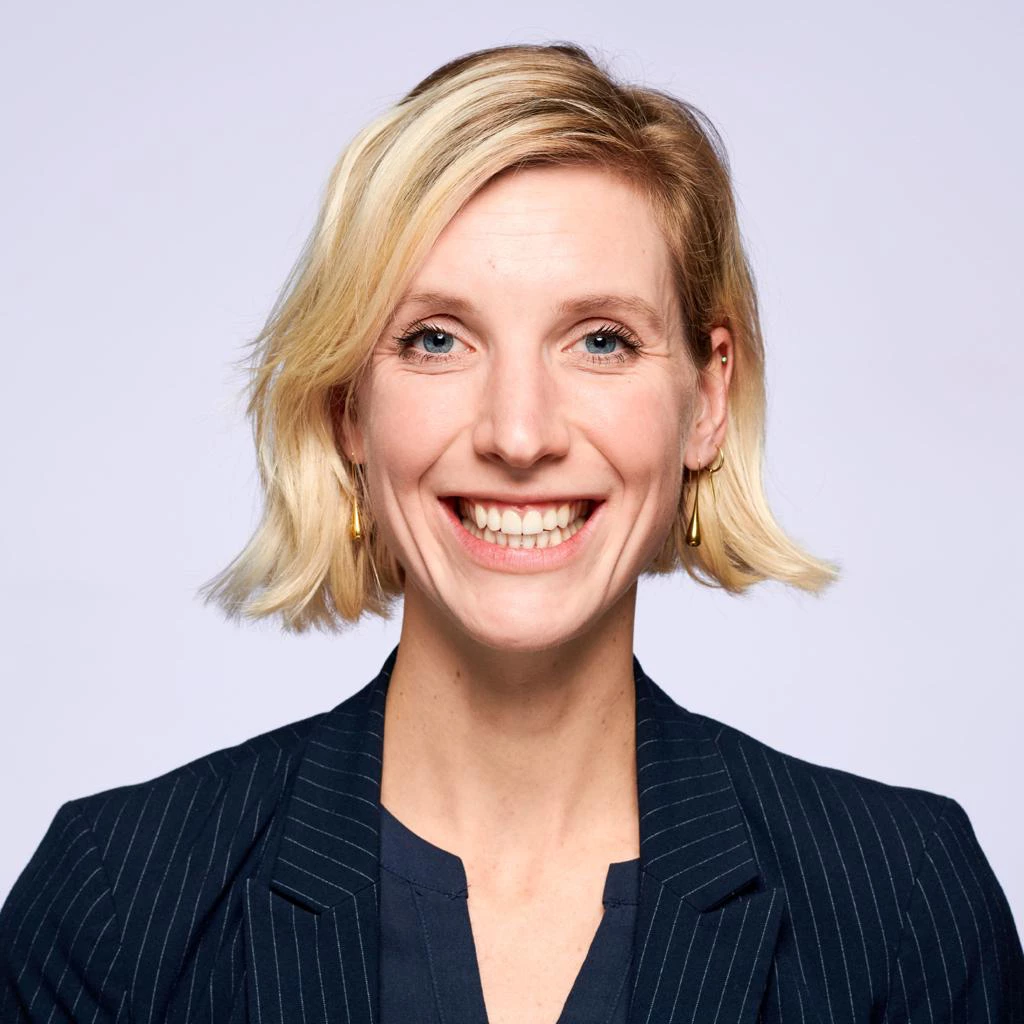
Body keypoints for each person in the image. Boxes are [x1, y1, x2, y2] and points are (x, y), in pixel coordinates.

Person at [1, 41, 1021, 1024]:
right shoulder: (114, 901)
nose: (519, 435)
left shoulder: (902, 905)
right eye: (436, 339)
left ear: (708, 398)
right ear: (349, 406)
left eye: (601, 340)